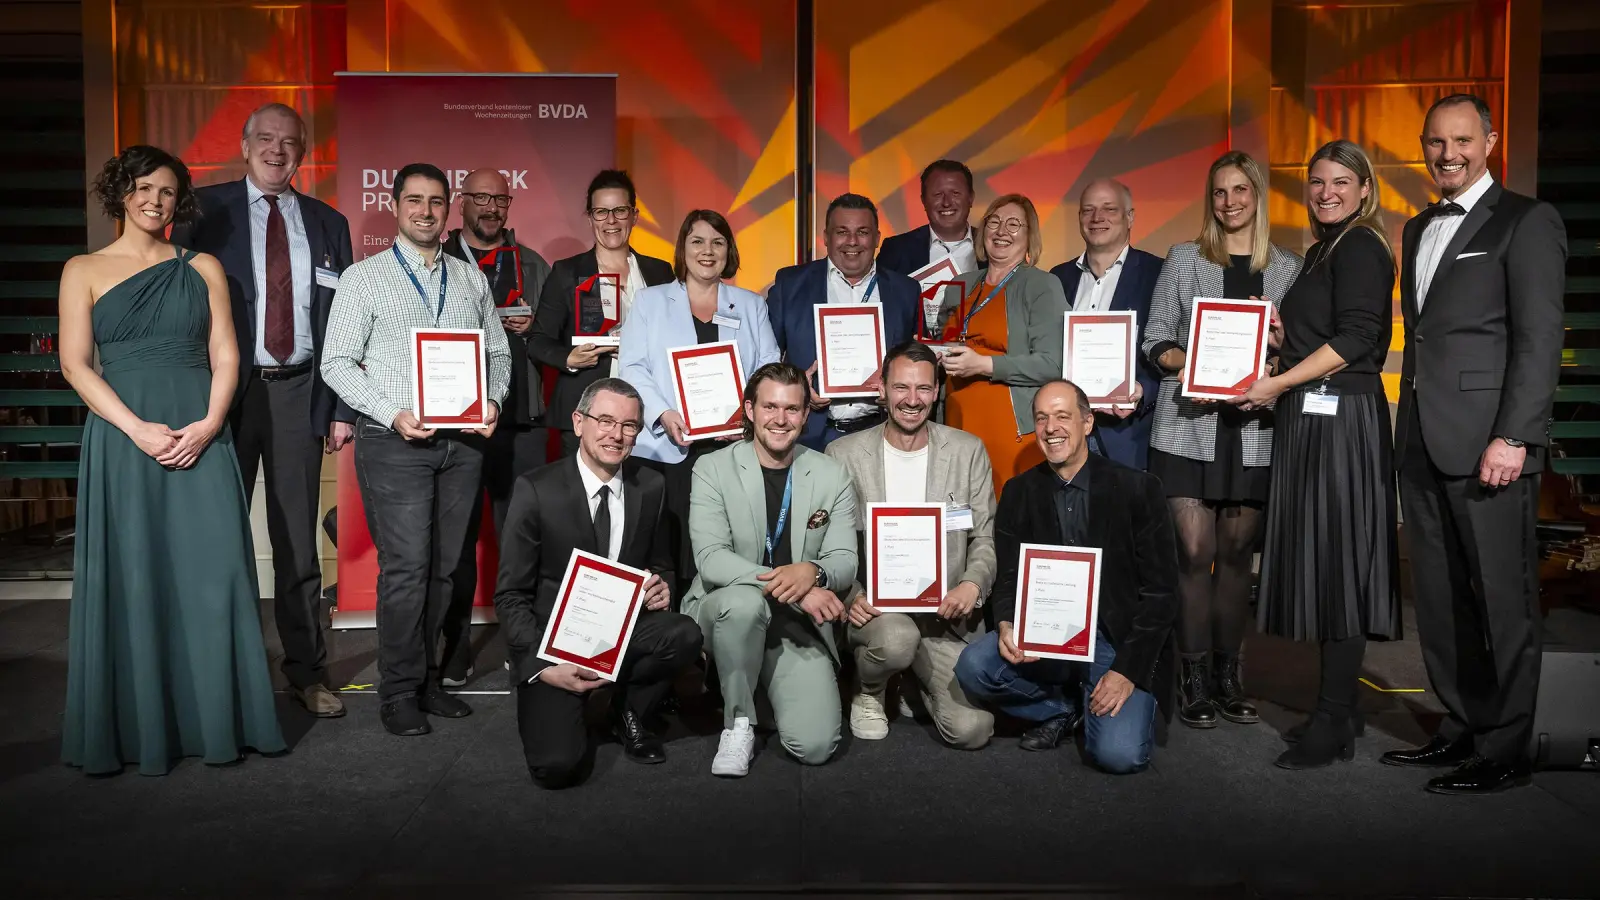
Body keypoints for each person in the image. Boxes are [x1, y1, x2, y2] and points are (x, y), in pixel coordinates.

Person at [58, 145, 286, 774]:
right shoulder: (82, 269)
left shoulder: (204, 266)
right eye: (143, 188)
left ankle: (217, 723)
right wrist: (136, 429)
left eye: (167, 191)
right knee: (135, 577)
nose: (155, 201)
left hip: (200, 433)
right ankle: (138, 731)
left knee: (215, 575)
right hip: (123, 436)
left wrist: (210, 424)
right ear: (121, 192)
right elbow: (75, 364)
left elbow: (228, 355)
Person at [1386, 95, 1566, 795]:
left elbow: (1538, 338)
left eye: (1462, 140)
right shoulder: (1417, 228)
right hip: (1424, 442)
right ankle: (1460, 725)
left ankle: (1507, 746)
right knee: (1438, 598)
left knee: (1501, 599)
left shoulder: (1527, 220)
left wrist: (1513, 435)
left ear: (1490, 140)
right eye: (1436, 142)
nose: (1447, 154)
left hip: (1491, 444)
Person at [171, 102, 353, 718]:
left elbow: (341, 326)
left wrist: (338, 406)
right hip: (226, 394)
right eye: (266, 140)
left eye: (290, 142)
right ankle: (222, 673)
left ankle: (308, 673)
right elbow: (182, 307)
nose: (278, 150)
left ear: (303, 153)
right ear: (246, 146)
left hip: (300, 391)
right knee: (221, 537)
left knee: (298, 543)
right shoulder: (205, 211)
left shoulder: (329, 223)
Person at [320, 162, 512, 737]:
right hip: (394, 442)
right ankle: (398, 691)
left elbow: (497, 355)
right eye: (415, 201)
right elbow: (335, 362)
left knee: (446, 570)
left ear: (448, 208)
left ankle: (428, 681)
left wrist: (493, 403)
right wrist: (391, 412)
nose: (426, 212)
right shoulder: (364, 277)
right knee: (406, 568)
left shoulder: (470, 277)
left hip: (462, 446)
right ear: (397, 207)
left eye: (436, 202)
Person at [1230, 140, 1401, 768]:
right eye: (1317, 182)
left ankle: (1333, 719)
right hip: (1313, 419)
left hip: (1342, 424)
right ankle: (1338, 710)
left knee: (1342, 570)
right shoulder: (1326, 249)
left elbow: (1358, 336)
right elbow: (1326, 330)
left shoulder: (1360, 244)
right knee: (1328, 567)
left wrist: (1275, 382)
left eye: (1339, 182)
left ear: (1363, 189)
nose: (1325, 192)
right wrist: (1284, 339)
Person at [1140, 151, 1302, 729]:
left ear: (1258, 195)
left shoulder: (1288, 267)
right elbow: (1154, 342)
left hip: (1254, 429)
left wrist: (1279, 351)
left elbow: (1297, 352)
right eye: (1219, 192)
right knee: (1193, 553)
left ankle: (1228, 676)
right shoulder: (1185, 259)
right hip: (1188, 425)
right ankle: (1189, 675)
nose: (1229, 202)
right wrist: (1201, 362)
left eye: (1240, 190)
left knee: (1237, 558)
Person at [954, 381, 1177, 773]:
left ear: (1088, 423)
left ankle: (1110, 701)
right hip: (1046, 636)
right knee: (973, 666)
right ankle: (1066, 707)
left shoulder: (1139, 489)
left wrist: (1127, 672)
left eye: (1062, 416)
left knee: (1118, 755)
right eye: (1041, 418)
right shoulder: (1019, 491)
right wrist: (1006, 622)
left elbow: (1162, 593)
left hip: (1113, 641)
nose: (1050, 427)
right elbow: (1007, 576)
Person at [493, 378, 704, 788]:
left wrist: (662, 587)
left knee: (684, 634)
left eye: (629, 426)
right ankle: (570, 700)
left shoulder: (651, 485)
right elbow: (511, 594)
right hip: (554, 647)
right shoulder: (536, 489)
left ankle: (627, 711)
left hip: (622, 634)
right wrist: (542, 664)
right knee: (556, 768)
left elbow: (661, 565)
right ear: (578, 422)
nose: (616, 434)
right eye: (605, 421)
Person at [683, 362, 859, 776]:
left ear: (805, 413)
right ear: (749, 409)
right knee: (745, 606)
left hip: (794, 622)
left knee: (815, 746)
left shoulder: (830, 474)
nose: (780, 420)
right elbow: (711, 558)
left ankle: (756, 682)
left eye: (792, 409)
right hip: (727, 609)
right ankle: (738, 723)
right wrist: (797, 584)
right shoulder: (712, 468)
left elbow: (844, 560)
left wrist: (813, 572)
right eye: (770, 407)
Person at [825, 342, 997, 748]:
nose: (912, 399)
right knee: (897, 639)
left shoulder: (967, 450)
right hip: (876, 616)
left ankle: (906, 680)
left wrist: (972, 585)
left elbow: (985, 537)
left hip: (942, 617)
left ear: (937, 391)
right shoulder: (843, 454)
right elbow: (829, 546)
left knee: (973, 731)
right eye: (901, 387)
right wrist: (852, 595)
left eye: (923, 388)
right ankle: (868, 690)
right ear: (881, 389)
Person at [619, 210, 780, 598]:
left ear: (729, 251)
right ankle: (678, 637)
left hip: (735, 446)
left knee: (729, 543)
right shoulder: (649, 301)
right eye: (698, 241)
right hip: (668, 447)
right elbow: (632, 366)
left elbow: (769, 368)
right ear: (683, 248)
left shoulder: (751, 304)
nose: (707, 251)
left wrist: (748, 414)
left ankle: (722, 632)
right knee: (671, 548)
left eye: (718, 242)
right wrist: (665, 413)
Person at [439, 168, 552, 687]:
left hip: (520, 417)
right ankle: (454, 647)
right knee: (456, 539)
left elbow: (561, 336)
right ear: (462, 202)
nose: (490, 207)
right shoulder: (436, 260)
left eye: (499, 199)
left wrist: (538, 327)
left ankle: (522, 644)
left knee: (521, 538)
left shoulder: (532, 264)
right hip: (455, 417)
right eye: (480, 197)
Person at [529, 170, 673, 457]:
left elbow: (675, 337)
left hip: (650, 409)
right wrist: (568, 359)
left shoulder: (660, 272)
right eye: (601, 212)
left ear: (634, 215)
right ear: (590, 216)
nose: (611, 221)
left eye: (619, 211)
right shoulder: (567, 272)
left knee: (644, 495)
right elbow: (538, 341)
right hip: (587, 409)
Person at [767, 193, 920, 450]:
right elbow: (765, 361)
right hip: (808, 437)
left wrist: (898, 389)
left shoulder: (906, 291)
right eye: (842, 232)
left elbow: (916, 361)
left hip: (882, 434)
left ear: (877, 238)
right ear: (826, 237)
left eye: (862, 232)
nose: (852, 241)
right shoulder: (789, 285)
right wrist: (796, 386)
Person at [941, 194, 1070, 494]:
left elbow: (1053, 364)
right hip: (955, 426)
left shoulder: (1041, 285)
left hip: (1009, 431)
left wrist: (983, 365)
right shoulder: (959, 285)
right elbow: (945, 343)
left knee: (1009, 523)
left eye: (1014, 224)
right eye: (994, 223)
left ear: (1030, 236)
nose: (1001, 231)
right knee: (962, 525)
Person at [1048, 178, 1163, 470]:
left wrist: (1142, 389)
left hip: (1128, 437)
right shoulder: (1057, 279)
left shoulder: (1158, 273)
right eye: (1088, 210)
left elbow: (1173, 349)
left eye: (1109, 209)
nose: (1097, 218)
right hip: (1065, 435)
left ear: (1130, 217)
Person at [876, 159, 978, 278]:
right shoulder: (896, 249)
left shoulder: (993, 245)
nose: (946, 203)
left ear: (971, 198)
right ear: (923, 200)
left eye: (955, 193)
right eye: (938, 194)